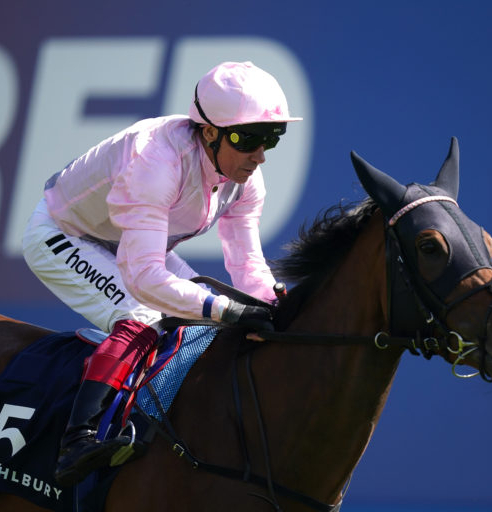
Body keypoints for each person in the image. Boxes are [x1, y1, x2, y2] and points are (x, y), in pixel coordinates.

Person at [21, 61, 302, 486]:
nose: (260, 156)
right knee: (145, 314)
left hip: (128, 243)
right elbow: (144, 279)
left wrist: (272, 307)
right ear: (209, 132)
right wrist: (225, 311)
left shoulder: (246, 179)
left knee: (207, 312)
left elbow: (246, 265)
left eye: (272, 140)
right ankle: (76, 440)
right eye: (251, 140)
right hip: (64, 233)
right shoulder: (156, 159)